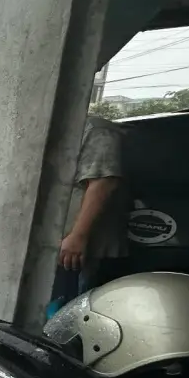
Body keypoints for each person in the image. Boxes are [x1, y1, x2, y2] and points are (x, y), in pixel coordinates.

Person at [58, 113, 130, 292]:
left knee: (70, 309)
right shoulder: (57, 127)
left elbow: (103, 183)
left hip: (82, 248)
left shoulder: (96, 129)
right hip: (59, 245)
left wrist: (77, 237)